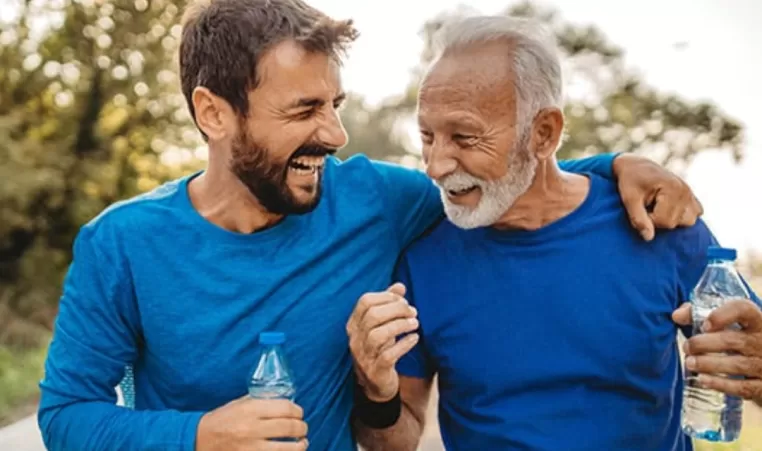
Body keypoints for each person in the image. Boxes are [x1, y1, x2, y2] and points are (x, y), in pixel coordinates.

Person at [37, 2, 703, 451]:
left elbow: (506, 177)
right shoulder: (120, 242)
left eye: (335, 104)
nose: (334, 133)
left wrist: (619, 165)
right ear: (214, 114)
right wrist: (198, 435)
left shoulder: (376, 201)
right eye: (304, 110)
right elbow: (64, 412)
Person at [347, 15, 762, 451]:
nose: (435, 165)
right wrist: (377, 393)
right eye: (428, 136)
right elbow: (393, 441)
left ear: (543, 134)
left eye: (465, 138)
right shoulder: (422, 259)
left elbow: (747, 359)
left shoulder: (660, 224)